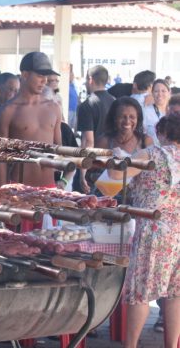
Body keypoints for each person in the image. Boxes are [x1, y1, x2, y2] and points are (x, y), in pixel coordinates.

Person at [106, 114, 180, 348]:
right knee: (175, 293)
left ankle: (130, 345)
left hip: (153, 229)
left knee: (141, 292)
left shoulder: (153, 154)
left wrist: (117, 159)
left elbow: (117, 175)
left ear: (162, 133)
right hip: (178, 229)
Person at [0, 51, 61, 188]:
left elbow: (59, 150)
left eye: (46, 76)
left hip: (50, 187)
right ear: (25, 75)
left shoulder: (54, 108)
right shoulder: (8, 111)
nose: (45, 81)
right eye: (40, 75)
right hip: (18, 188)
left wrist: (63, 181)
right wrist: (1, 191)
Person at [76, 65, 115, 193]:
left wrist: (82, 173)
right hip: (112, 164)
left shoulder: (87, 105)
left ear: (90, 79)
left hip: (93, 167)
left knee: (85, 207)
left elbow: (88, 141)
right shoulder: (115, 102)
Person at [143, 79, 171, 145]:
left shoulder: (174, 111)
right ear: (152, 93)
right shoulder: (145, 112)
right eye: (156, 91)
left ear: (169, 92)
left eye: (163, 91)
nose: (160, 94)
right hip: (153, 151)